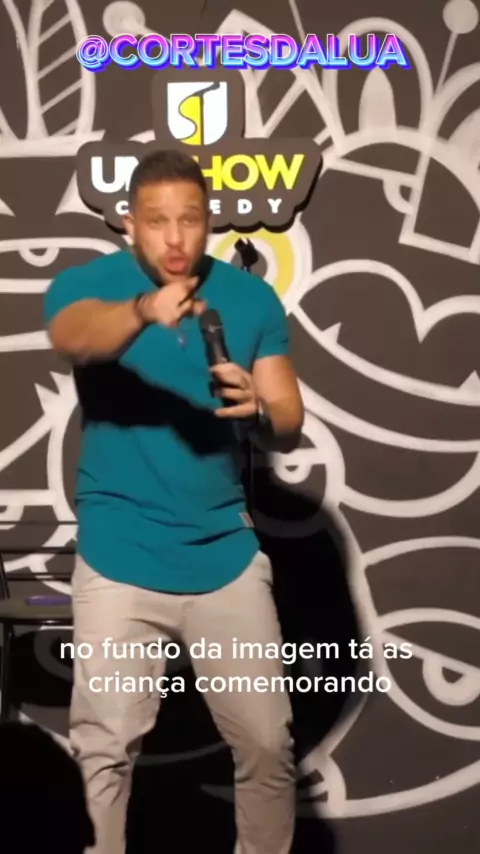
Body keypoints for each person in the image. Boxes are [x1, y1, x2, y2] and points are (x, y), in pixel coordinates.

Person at [43, 148, 304, 854]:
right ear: (129, 223)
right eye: (157, 221)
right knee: (103, 751)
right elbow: (72, 335)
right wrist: (142, 310)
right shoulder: (88, 285)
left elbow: (287, 416)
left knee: (268, 744)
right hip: (120, 556)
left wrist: (259, 407)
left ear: (209, 220)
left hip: (223, 555)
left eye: (189, 219)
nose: (175, 237)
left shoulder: (250, 299)